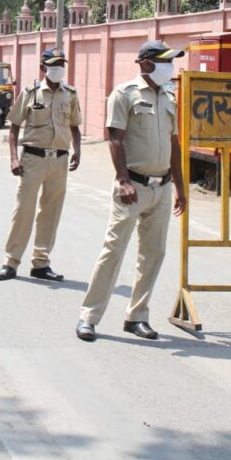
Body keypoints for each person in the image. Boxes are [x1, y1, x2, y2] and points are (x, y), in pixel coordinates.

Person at [76, 39, 186, 342]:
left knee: (153, 254)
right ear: (147, 64)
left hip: (161, 187)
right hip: (133, 186)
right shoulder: (124, 94)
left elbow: (174, 144)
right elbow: (115, 139)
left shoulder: (169, 97)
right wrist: (123, 179)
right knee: (113, 251)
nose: (171, 67)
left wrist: (180, 185)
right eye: (166, 61)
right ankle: (89, 316)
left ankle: (137, 316)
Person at [0, 47, 82, 283]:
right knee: (24, 211)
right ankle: (11, 262)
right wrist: (13, 158)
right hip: (33, 159)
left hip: (59, 160)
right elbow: (14, 126)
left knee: (50, 213)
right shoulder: (31, 93)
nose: (58, 69)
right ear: (43, 68)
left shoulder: (70, 94)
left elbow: (74, 126)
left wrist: (77, 151)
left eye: (61, 64)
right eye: (54, 65)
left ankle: (41, 263)